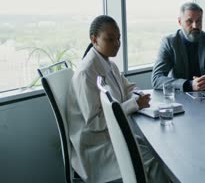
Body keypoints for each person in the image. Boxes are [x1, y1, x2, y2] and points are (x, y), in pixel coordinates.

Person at [67, 15, 166, 182]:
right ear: (94, 39)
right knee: (152, 161)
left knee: (156, 150)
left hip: (112, 134)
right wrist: (133, 104)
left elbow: (128, 87)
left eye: (119, 38)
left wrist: (137, 95)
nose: (117, 44)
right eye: (110, 39)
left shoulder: (109, 64)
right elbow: (94, 122)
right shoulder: (87, 73)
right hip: (96, 145)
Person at [152, 2, 205, 91]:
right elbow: (157, 79)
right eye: (189, 21)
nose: (195, 25)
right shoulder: (169, 42)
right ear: (180, 22)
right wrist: (190, 84)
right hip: (179, 98)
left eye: (198, 21)